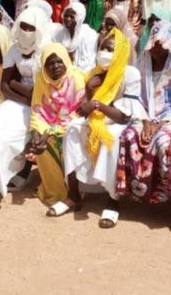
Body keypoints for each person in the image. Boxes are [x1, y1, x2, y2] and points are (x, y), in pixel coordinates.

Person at [56, 28, 145, 228]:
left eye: (110, 49)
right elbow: (84, 110)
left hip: (122, 121)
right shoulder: (94, 72)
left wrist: (98, 105)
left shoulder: (130, 74)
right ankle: (73, 195)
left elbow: (124, 116)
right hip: (98, 118)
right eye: (103, 47)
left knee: (110, 139)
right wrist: (89, 89)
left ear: (120, 53)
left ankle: (113, 200)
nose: (104, 53)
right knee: (72, 129)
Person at [0, 7, 49, 194]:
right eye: (22, 27)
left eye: (31, 28)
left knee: (5, 139)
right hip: (17, 101)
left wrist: (26, 93)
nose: (26, 32)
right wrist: (25, 96)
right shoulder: (14, 49)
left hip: (42, 103)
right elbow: (5, 85)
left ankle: (22, 172)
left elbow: (45, 87)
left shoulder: (46, 50)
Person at [116, 20, 171, 205]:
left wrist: (158, 124)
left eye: (160, 43)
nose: (155, 47)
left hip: (170, 118)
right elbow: (136, 97)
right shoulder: (142, 65)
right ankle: (131, 188)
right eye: (153, 42)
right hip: (143, 115)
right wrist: (146, 121)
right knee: (128, 136)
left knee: (162, 143)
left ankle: (161, 191)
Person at [25, 43, 87, 205]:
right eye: (50, 63)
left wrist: (50, 132)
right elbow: (37, 108)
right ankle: (55, 191)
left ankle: (74, 192)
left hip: (74, 124)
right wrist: (37, 133)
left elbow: (78, 112)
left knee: (57, 139)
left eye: (59, 62)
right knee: (40, 143)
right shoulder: (41, 78)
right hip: (49, 122)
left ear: (66, 60)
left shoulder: (76, 78)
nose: (55, 67)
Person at [51, 2, 98, 72]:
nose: (68, 19)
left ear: (80, 18)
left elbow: (88, 64)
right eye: (66, 16)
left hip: (82, 74)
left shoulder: (89, 35)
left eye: (72, 17)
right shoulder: (59, 34)